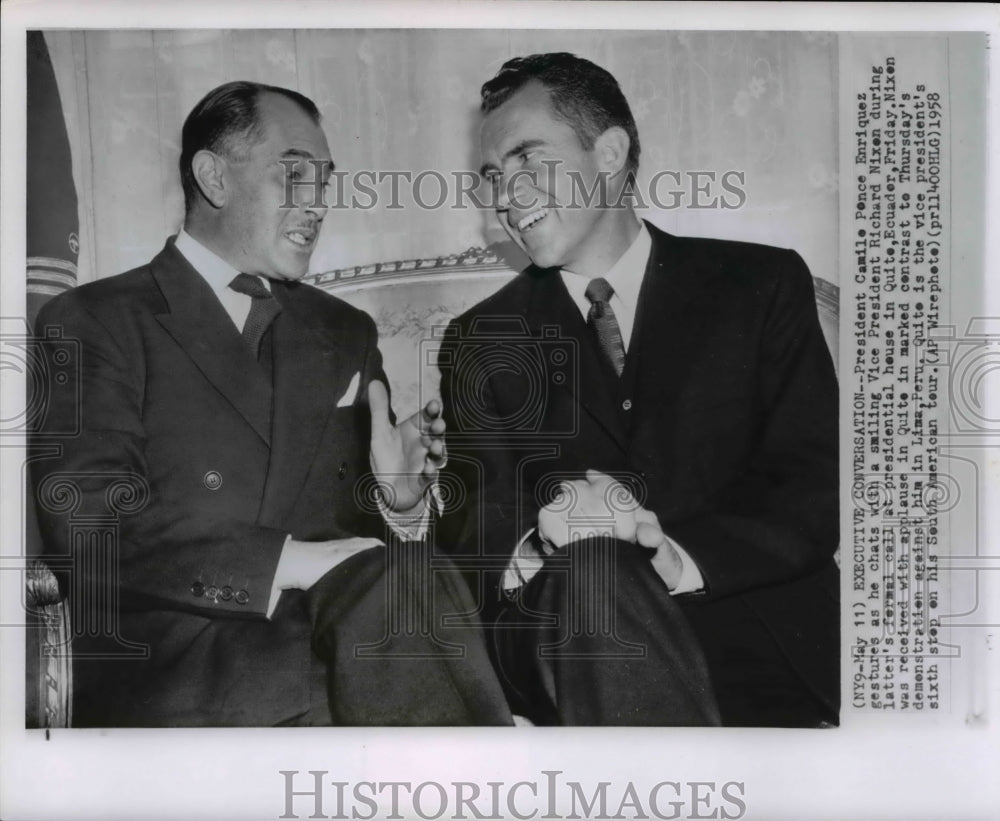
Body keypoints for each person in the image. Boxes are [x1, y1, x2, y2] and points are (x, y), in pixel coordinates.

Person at [30, 80, 511, 727]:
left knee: (410, 591)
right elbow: (89, 525)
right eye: (294, 177)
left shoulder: (344, 330)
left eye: (325, 182)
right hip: (187, 670)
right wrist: (288, 561)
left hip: (354, 646)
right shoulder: (96, 320)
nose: (317, 205)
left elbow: (372, 541)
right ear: (214, 177)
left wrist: (401, 503)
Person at [438, 53, 839, 726]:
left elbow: (812, 483)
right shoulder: (480, 338)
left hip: (751, 626)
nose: (506, 197)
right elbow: (477, 521)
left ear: (611, 153)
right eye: (493, 178)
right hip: (567, 642)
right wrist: (544, 536)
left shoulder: (758, 285)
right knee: (595, 572)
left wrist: (674, 556)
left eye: (527, 162)